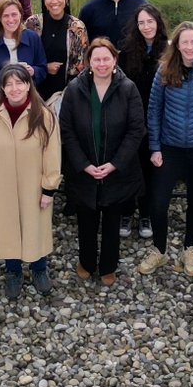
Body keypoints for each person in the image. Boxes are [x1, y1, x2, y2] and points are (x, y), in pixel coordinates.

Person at [138, 21, 193, 278]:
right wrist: (154, 147)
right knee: (158, 203)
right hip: (170, 147)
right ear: (176, 44)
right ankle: (159, 248)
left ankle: (190, 247)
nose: (189, 46)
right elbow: (153, 111)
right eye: (184, 41)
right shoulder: (164, 71)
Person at [60, 39, 145, 286]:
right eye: (96, 59)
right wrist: (83, 163)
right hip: (84, 168)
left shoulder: (128, 88)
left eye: (106, 58)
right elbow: (66, 130)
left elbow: (136, 129)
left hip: (116, 169)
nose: (101, 64)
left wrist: (116, 163)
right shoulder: (75, 89)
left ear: (115, 60)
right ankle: (86, 261)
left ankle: (108, 265)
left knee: (111, 220)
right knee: (86, 219)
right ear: (88, 62)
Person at [0, 64, 62, 299]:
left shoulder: (43, 115)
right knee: (8, 229)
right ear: (2, 88)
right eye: (9, 84)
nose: (14, 88)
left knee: (35, 228)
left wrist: (48, 189)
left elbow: (52, 155)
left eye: (19, 83)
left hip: (34, 186)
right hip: (2, 186)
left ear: (28, 85)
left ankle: (38, 269)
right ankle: (13, 271)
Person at [117, 4, 168, 240]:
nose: (146, 26)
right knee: (128, 165)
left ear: (158, 22)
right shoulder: (127, 50)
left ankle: (146, 213)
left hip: (158, 118)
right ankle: (126, 212)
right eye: (141, 22)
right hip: (131, 117)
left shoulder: (168, 50)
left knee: (151, 168)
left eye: (150, 21)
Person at [24, 0, 88, 100]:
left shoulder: (77, 27)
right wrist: (44, 67)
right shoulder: (32, 24)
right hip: (33, 91)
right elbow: (23, 57)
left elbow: (81, 65)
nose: (54, 1)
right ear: (44, 0)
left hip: (67, 93)